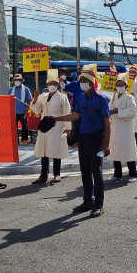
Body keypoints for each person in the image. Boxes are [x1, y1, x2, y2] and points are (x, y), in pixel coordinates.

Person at [52, 64, 111, 217]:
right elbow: (76, 116)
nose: (81, 82)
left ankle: (99, 203)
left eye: (84, 80)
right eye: (80, 79)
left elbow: (107, 122)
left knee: (96, 171)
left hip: (97, 139)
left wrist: (106, 144)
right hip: (83, 138)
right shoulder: (80, 97)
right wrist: (56, 118)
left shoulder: (100, 99)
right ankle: (87, 200)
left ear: (91, 82)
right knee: (85, 171)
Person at [31, 70, 72, 185]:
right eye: (50, 84)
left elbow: (67, 112)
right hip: (45, 125)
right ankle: (43, 175)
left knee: (56, 150)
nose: (52, 85)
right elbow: (36, 110)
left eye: (54, 83)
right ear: (47, 85)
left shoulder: (62, 97)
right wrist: (35, 98)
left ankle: (56, 174)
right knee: (44, 150)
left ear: (58, 85)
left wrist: (67, 128)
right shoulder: (42, 96)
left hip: (57, 125)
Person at [105, 73, 137, 183]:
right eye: (117, 85)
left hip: (125, 127)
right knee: (115, 150)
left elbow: (132, 111)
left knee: (128, 149)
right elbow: (110, 107)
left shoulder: (129, 97)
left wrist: (118, 111)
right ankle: (117, 174)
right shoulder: (114, 97)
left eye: (121, 84)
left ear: (126, 86)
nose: (119, 87)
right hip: (115, 127)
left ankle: (132, 174)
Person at [114, 62, 137, 150]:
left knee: (134, 126)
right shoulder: (124, 81)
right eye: (130, 72)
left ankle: (136, 145)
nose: (131, 73)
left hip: (133, 107)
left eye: (133, 72)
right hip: (123, 107)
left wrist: (134, 95)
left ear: (136, 74)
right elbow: (116, 77)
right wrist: (112, 68)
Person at [8, 73, 33, 144]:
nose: (17, 81)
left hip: (23, 111)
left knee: (24, 126)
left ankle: (24, 140)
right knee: (14, 127)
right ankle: (15, 141)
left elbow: (29, 100)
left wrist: (26, 110)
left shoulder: (26, 89)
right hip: (14, 111)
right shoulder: (11, 90)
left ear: (21, 80)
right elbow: (8, 100)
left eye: (18, 80)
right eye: (15, 80)